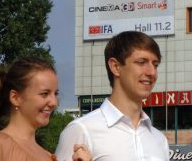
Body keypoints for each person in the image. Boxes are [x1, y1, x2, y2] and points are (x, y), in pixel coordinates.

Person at [56, 31, 169, 160]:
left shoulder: (159, 140)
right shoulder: (82, 130)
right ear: (115, 67)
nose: (152, 72)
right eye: (141, 62)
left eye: (155, 64)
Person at [0, 57, 91, 161]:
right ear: (15, 98)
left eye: (55, 94)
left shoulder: (48, 156)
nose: (54, 102)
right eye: (44, 94)